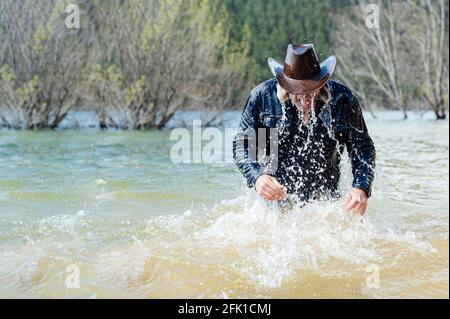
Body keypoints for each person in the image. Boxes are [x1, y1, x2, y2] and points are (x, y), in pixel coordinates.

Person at [232, 44, 376, 215]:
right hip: (273, 201)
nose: (306, 100)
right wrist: (257, 177)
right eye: (298, 92)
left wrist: (361, 187)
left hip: (325, 201)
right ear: (286, 86)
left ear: (321, 82)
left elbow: (363, 147)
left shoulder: (342, 99)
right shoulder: (263, 97)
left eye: (311, 91)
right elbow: (242, 145)